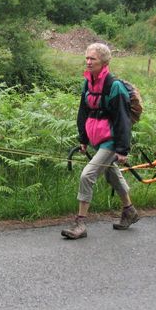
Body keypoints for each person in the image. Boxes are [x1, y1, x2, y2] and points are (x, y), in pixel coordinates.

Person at [61, 43, 139, 240]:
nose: (88, 62)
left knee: (87, 175)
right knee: (112, 175)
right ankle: (129, 210)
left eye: (92, 59)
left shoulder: (114, 86)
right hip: (97, 138)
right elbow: (83, 111)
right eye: (86, 58)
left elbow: (122, 119)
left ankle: (80, 223)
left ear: (104, 62)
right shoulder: (88, 83)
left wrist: (122, 148)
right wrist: (83, 138)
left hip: (111, 141)